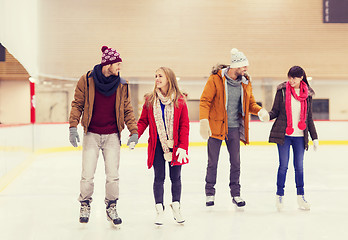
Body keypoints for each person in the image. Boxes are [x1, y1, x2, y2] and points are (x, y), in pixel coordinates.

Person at [68, 46, 138, 225]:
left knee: (113, 175)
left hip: (112, 135)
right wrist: (73, 127)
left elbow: (128, 109)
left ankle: (111, 206)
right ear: (108, 63)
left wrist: (134, 131)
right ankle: (85, 204)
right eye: (118, 64)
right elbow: (77, 104)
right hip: (91, 133)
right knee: (87, 174)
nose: (119, 68)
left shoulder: (122, 84)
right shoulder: (87, 80)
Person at [199, 48, 269, 208]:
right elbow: (205, 101)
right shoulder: (215, 79)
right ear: (235, 66)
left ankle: (236, 194)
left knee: (236, 162)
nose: (246, 69)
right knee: (212, 162)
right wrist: (204, 120)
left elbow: (250, 103)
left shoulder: (245, 83)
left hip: (234, 128)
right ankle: (210, 193)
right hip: (216, 127)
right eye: (244, 67)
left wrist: (260, 110)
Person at [137, 67, 189, 225]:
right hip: (157, 146)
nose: (157, 79)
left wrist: (183, 147)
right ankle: (159, 210)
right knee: (159, 178)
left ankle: (176, 206)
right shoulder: (150, 100)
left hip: (176, 146)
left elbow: (184, 126)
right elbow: (143, 121)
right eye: (156, 76)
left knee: (176, 178)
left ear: (169, 79)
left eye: (160, 76)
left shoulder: (180, 100)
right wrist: (135, 135)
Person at [268, 65, 318, 211]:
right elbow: (275, 111)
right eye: (289, 77)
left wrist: (314, 137)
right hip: (284, 135)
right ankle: (279, 197)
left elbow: (309, 118)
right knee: (283, 166)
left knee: (299, 167)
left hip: (300, 137)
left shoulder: (307, 95)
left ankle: (300, 197)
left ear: (301, 77)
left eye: (294, 77)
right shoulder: (282, 92)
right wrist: (266, 116)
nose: (291, 80)